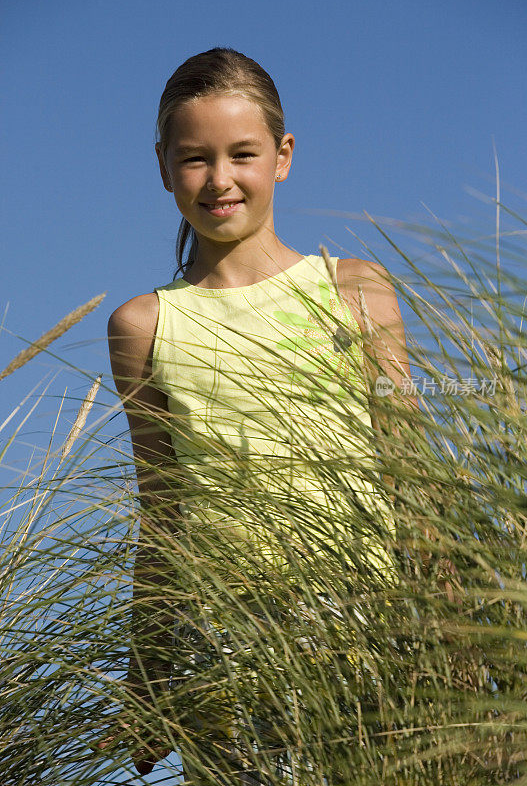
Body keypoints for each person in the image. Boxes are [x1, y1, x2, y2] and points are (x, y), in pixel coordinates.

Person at [103, 47, 416, 782]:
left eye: (241, 154)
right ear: (162, 165)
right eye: (194, 159)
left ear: (281, 156)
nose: (218, 180)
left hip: (361, 616)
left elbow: (409, 472)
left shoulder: (355, 289)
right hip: (219, 638)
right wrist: (145, 676)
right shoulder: (144, 325)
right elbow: (164, 514)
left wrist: (437, 611)